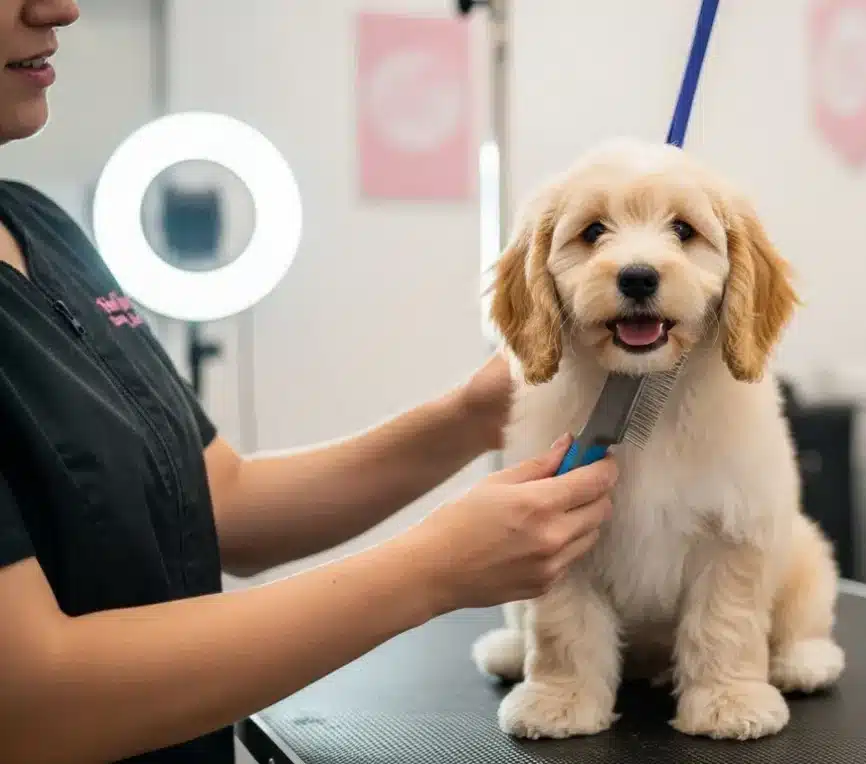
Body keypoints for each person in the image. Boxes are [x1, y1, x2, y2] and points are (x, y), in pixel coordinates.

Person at [0, 2, 619, 762]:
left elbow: (222, 502)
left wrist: (470, 416)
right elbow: (28, 700)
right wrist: (429, 570)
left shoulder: (41, 227)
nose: (59, 6)